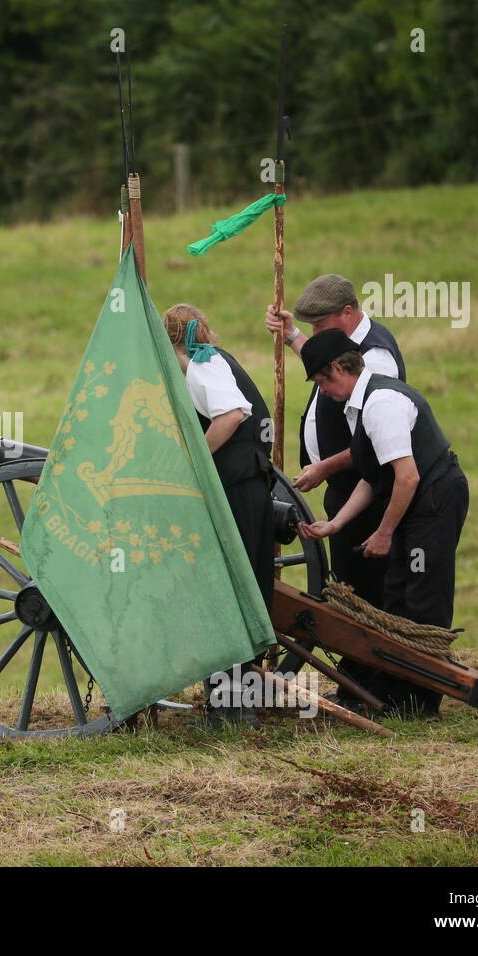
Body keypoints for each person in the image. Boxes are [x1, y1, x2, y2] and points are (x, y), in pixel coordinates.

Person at [296, 329, 469, 716]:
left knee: (423, 597)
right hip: (416, 497)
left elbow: (406, 477)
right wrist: (335, 524)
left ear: (340, 369)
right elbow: (374, 478)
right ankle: (395, 691)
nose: (321, 391)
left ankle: (421, 700)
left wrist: (384, 533)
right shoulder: (359, 406)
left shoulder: (381, 404)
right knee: (395, 594)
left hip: (435, 499)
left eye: (323, 381)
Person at [265, 274, 405, 610]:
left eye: (319, 325)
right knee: (348, 586)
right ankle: (356, 662)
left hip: (367, 492)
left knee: (366, 590)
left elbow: (374, 441)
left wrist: (324, 467)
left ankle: (369, 660)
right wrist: (292, 336)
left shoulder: (377, 356)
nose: (314, 334)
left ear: (346, 312)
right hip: (343, 489)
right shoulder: (345, 344)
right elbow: (327, 367)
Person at [163, 304, 274, 726]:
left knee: (225, 594)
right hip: (246, 484)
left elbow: (230, 415)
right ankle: (232, 705)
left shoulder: (201, 364)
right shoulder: (215, 358)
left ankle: (231, 709)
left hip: (234, 490)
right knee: (238, 592)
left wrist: (196, 461)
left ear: (170, 341)